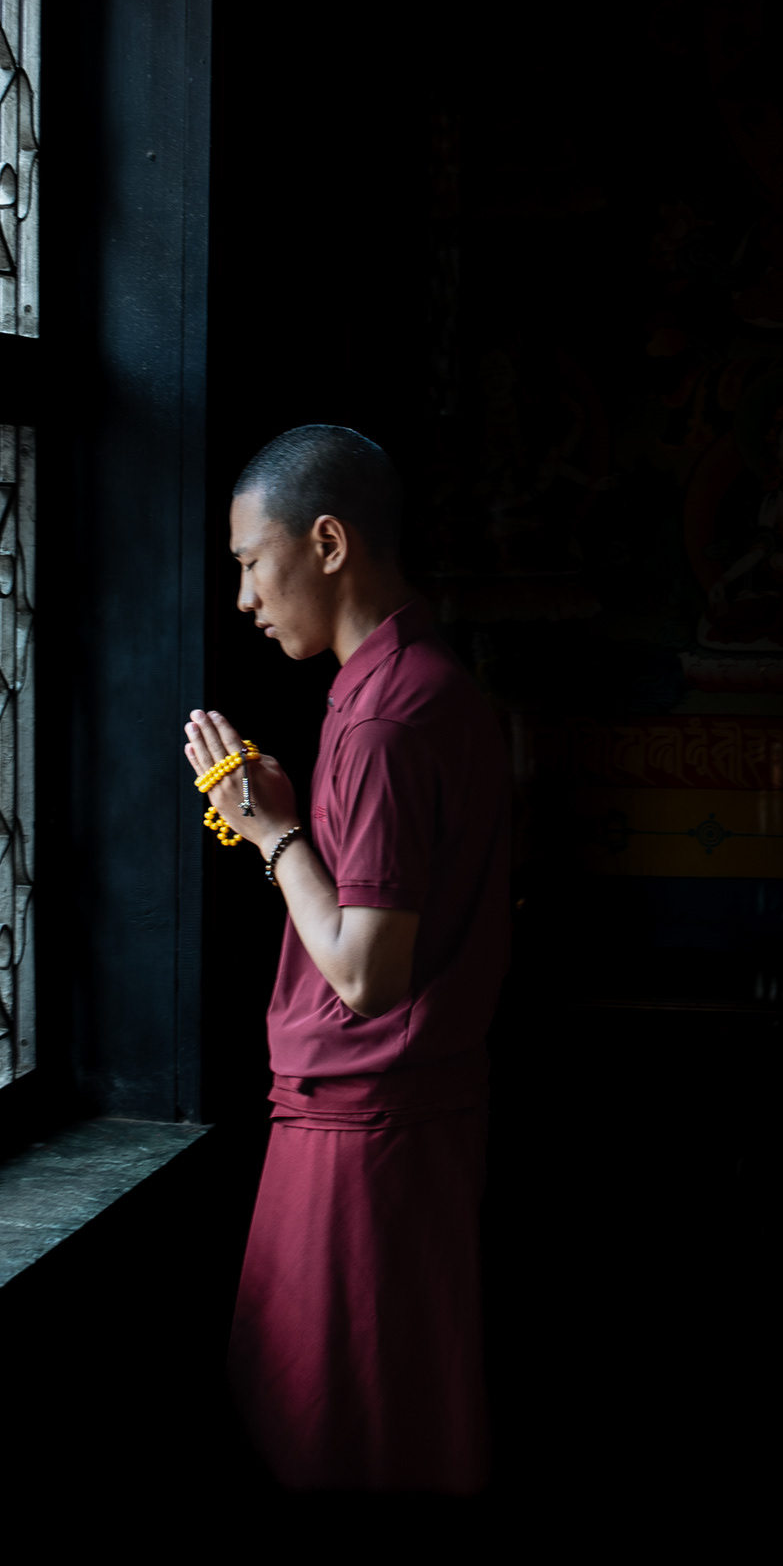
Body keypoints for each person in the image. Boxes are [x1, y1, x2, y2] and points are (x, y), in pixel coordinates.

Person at [186, 424, 511, 1492]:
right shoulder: (426, 679)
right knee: (398, 1414)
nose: (245, 595)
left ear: (327, 541)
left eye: (251, 560)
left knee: (343, 1436)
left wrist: (269, 828)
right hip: (410, 1115)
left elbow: (367, 972)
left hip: (364, 1129)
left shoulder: (379, 718)